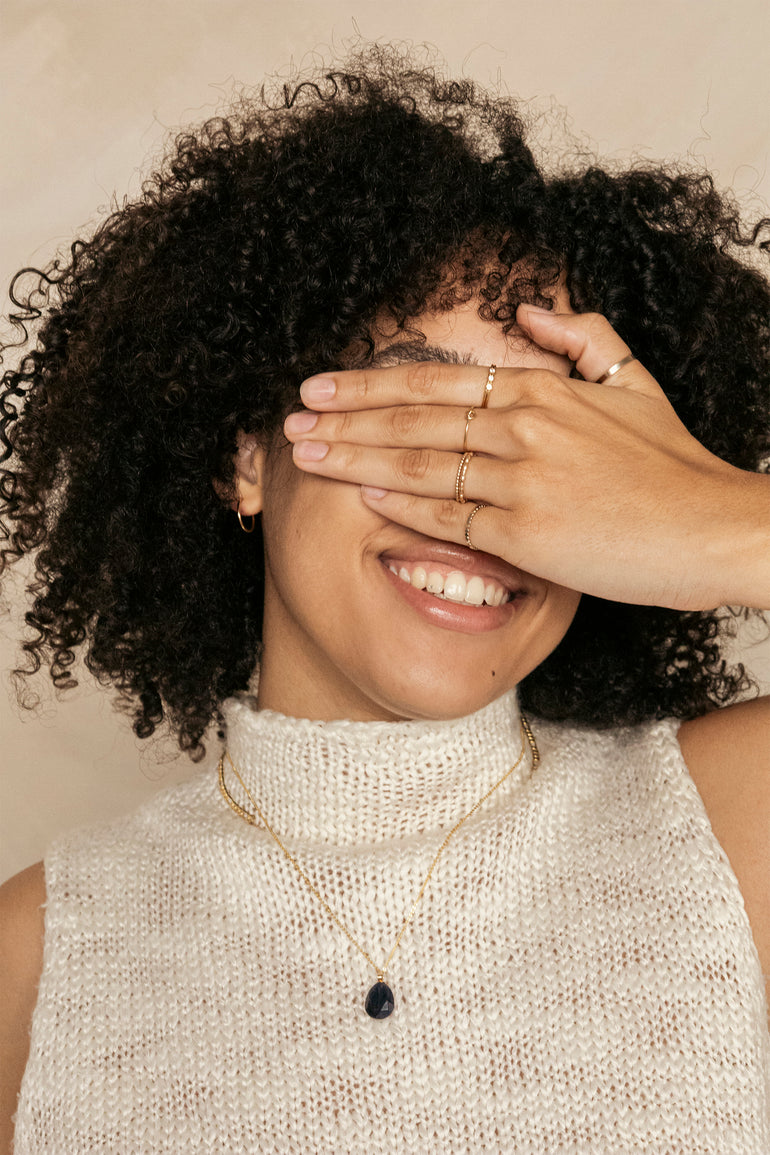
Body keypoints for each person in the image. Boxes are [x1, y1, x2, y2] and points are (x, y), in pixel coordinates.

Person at [1, 52, 769, 1152]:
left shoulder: (734, 830)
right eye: (416, 406)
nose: (479, 499)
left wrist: (717, 522)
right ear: (249, 459)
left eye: (552, 447)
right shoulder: (36, 959)